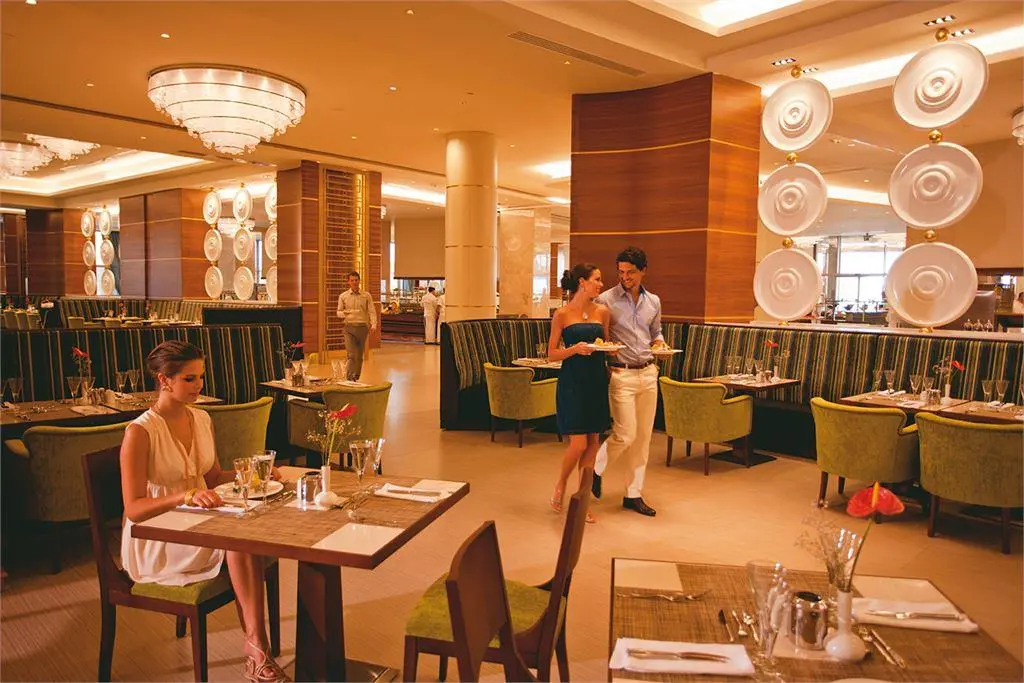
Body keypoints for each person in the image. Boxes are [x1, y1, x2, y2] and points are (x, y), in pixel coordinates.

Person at [120, 341, 286, 682]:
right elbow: (134, 509)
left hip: (200, 520)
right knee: (239, 541)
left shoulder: (202, 418)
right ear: (164, 380)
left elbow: (212, 478)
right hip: (158, 536)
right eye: (189, 379)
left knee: (246, 534)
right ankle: (258, 652)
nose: (199, 386)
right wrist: (185, 495)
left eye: (201, 377)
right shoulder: (140, 432)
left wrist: (257, 473)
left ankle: (256, 649)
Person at [591, 246, 667, 517]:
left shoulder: (654, 301)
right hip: (621, 374)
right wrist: (605, 354)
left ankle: (633, 494)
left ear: (643, 270)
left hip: (648, 372)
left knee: (643, 439)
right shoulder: (605, 300)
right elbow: (597, 335)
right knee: (625, 433)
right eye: (621, 272)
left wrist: (659, 343)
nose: (625, 277)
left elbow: (656, 331)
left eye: (631, 272)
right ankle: (595, 468)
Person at [547, 263, 613, 524]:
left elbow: (605, 344)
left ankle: (582, 499)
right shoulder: (562, 314)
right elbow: (552, 354)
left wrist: (611, 352)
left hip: (596, 381)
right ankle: (561, 483)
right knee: (579, 443)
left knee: (593, 443)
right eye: (597, 279)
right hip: (572, 382)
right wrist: (574, 349)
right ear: (582, 282)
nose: (601, 284)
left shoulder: (603, 312)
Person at [336, 271, 377, 381]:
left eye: (356, 280)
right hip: (349, 328)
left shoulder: (366, 295)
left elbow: (372, 311)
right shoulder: (343, 296)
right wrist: (345, 313)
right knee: (352, 355)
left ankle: (356, 377)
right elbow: (338, 312)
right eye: (352, 280)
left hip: (363, 328)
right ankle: (349, 378)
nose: (354, 282)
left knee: (359, 356)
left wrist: (373, 324)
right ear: (348, 282)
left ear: (359, 281)